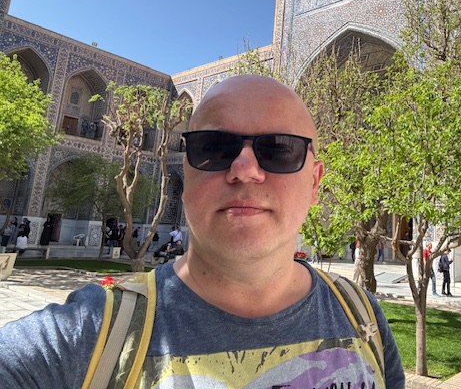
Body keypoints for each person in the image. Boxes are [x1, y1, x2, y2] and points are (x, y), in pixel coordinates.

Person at [0, 75, 404, 387]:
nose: (245, 169)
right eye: (214, 147)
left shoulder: (363, 318)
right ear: (184, 174)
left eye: (280, 149)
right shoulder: (92, 335)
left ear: (315, 183)